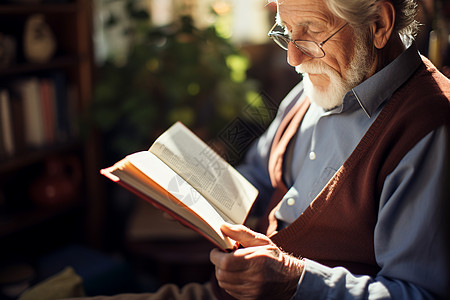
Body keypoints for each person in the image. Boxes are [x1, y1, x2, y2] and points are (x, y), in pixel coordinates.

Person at [65, 0, 450, 299]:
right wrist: (194, 198)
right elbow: (260, 177)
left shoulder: (429, 129)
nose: (292, 57)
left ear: (379, 25)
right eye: (285, 32)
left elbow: (422, 293)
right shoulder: (313, 85)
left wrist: (294, 281)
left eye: (310, 32)